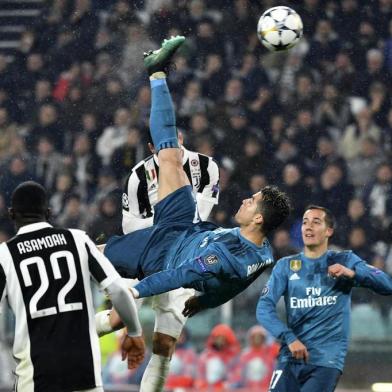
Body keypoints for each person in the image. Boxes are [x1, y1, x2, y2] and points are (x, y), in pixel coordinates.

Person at [102, 36, 291, 392]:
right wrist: (208, 300)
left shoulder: (220, 257)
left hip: (165, 255)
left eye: (250, 202)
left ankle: (57, 327)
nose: (243, 201)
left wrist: (136, 292)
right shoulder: (263, 253)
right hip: (178, 229)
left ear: (259, 219)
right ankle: (157, 73)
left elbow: (181, 274)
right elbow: (235, 286)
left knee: (153, 339)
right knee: (169, 154)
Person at [0, 181, 144, 392]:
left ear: (12, 214)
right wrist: (134, 332)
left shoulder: (4, 255)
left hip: (36, 378)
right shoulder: (77, 239)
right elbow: (118, 290)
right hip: (84, 373)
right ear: (48, 212)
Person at [120, 129, 219, 389]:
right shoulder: (137, 177)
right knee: (116, 320)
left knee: (164, 344)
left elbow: (200, 216)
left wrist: (164, 224)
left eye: (176, 142)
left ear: (183, 139)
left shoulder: (207, 167)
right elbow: (129, 225)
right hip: (145, 255)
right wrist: (164, 226)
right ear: (152, 147)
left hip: (183, 258)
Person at [257, 205, 392, 392]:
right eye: (305, 222)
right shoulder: (285, 266)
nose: (308, 227)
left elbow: (387, 284)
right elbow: (264, 308)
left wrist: (352, 274)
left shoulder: (344, 260)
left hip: (325, 361)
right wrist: (288, 337)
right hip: (290, 357)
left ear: (329, 231)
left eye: (316, 222)